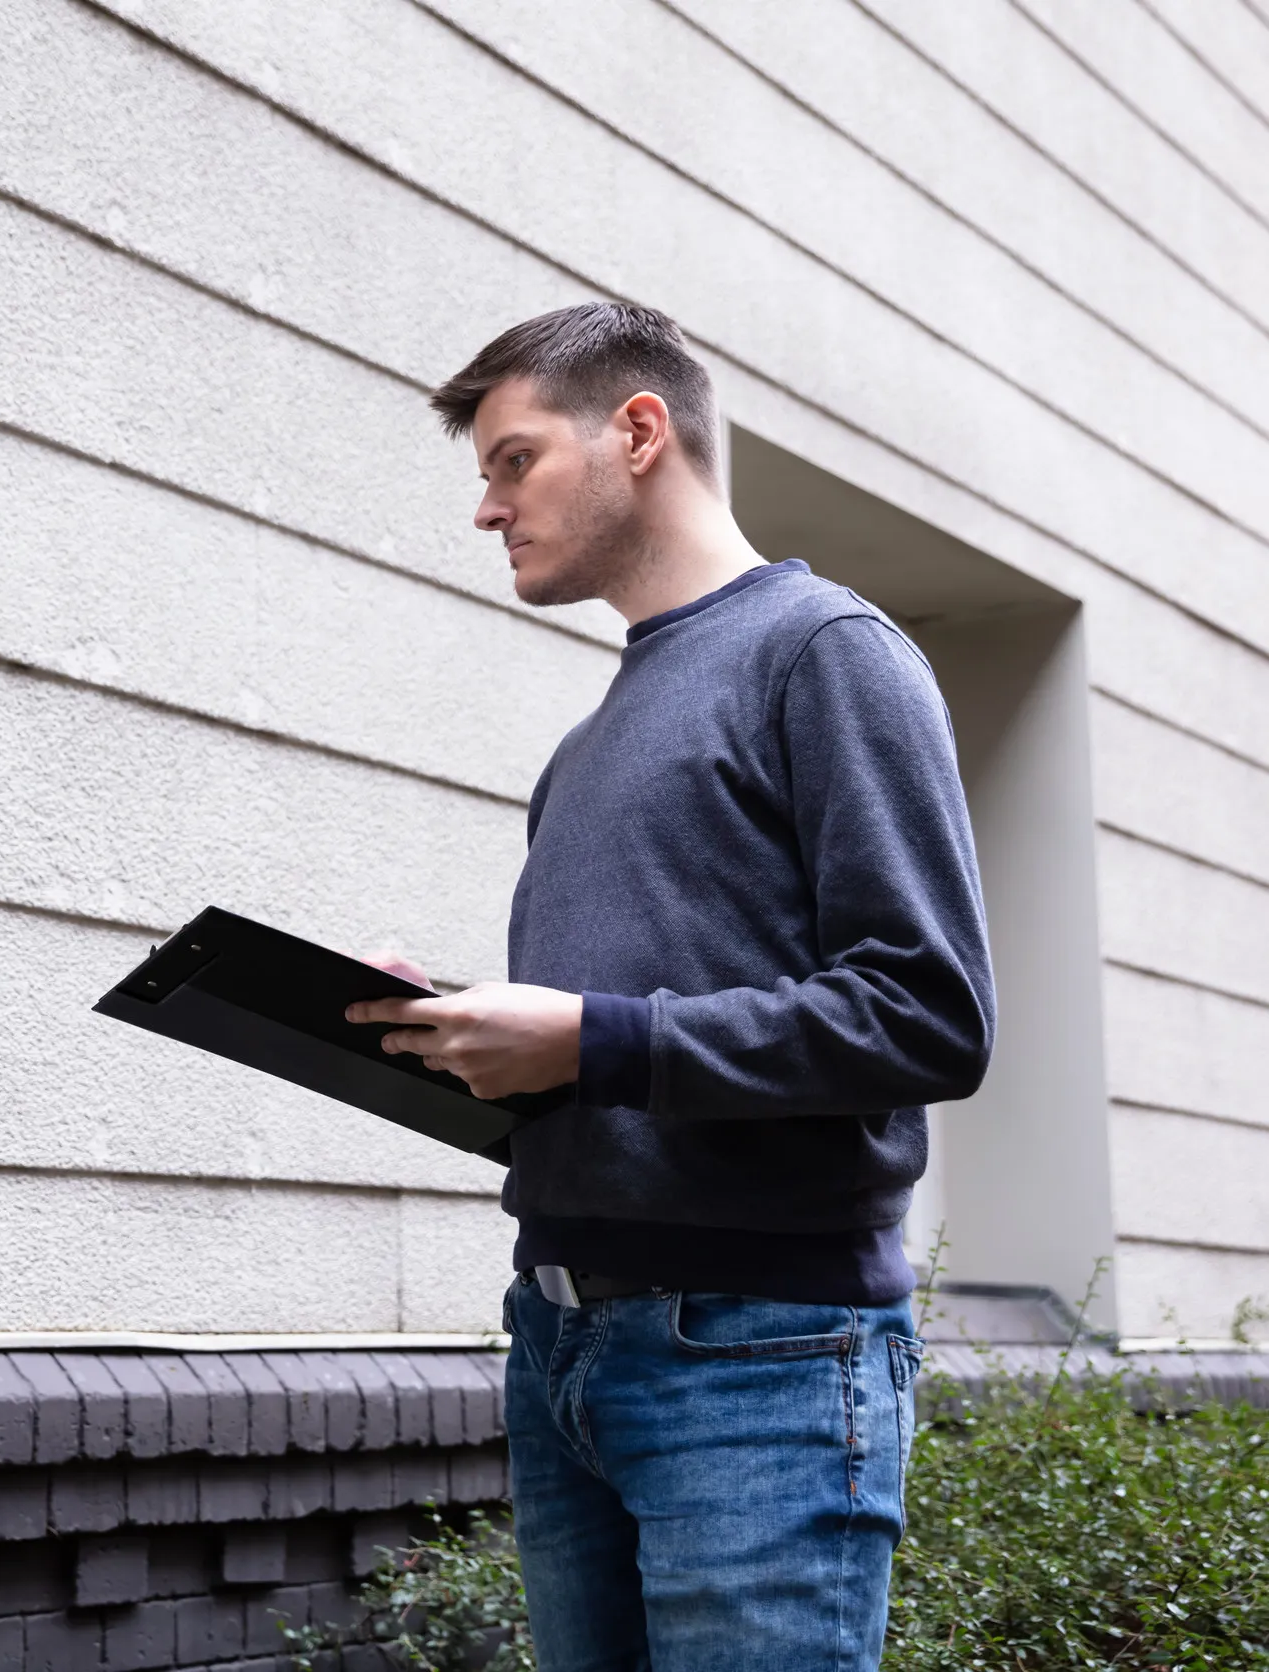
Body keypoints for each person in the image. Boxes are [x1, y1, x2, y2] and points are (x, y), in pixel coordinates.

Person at [347, 302, 994, 1670]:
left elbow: (928, 1011)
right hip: (562, 1345)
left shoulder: (826, 654)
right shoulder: (584, 752)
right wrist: (455, 1036)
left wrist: (592, 1040)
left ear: (638, 432)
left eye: (512, 460)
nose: (485, 508)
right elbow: (619, 1060)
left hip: (757, 1361)